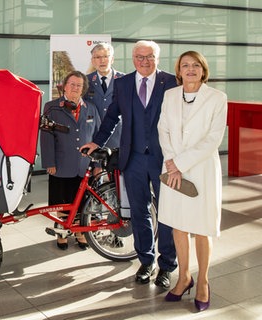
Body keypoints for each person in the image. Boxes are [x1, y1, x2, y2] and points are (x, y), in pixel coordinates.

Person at [80, 40, 178, 289]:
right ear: (132, 58)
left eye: (150, 56)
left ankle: (167, 265)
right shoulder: (123, 84)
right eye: (139, 57)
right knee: (138, 211)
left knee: (167, 211)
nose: (144, 61)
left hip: (164, 158)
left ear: (158, 57)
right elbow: (113, 115)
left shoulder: (171, 82)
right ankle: (146, 261)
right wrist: (97, 142)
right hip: (132, 158)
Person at [159, 51, 227, 311]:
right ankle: (184, 277)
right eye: (185, 65)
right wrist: (172, 163)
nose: (190, 69)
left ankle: (203, 283)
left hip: (201, 170)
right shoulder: (170, 96)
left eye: (195, 65)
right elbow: (162, 130)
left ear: (203, 69)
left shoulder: (218, 98)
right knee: (178, 225)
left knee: (200, 228)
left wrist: (180, 163)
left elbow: (213, 138)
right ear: (179, 70)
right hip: (173, 168)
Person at [41, 71, 100, 250]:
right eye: (72, 84)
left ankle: (80, 232)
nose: (75, 88)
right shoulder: (51, 107)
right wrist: (49, 162)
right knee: (62, 202)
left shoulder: (91, 109)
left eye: (79, 85)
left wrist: (97, 164)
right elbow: (46, 136)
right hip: (60, 164)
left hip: (84, 166)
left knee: (82, 202)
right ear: (65, 86)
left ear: (83, 89)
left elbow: (97, 137)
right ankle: (62, 233)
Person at [84, 42, 125, 149]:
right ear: (92, 61)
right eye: (97, 57)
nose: (102, 61)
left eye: (106, 56)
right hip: (92, 135)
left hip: (118, 136)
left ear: (112, 59)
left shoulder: (124, 80)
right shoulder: (85, 81)